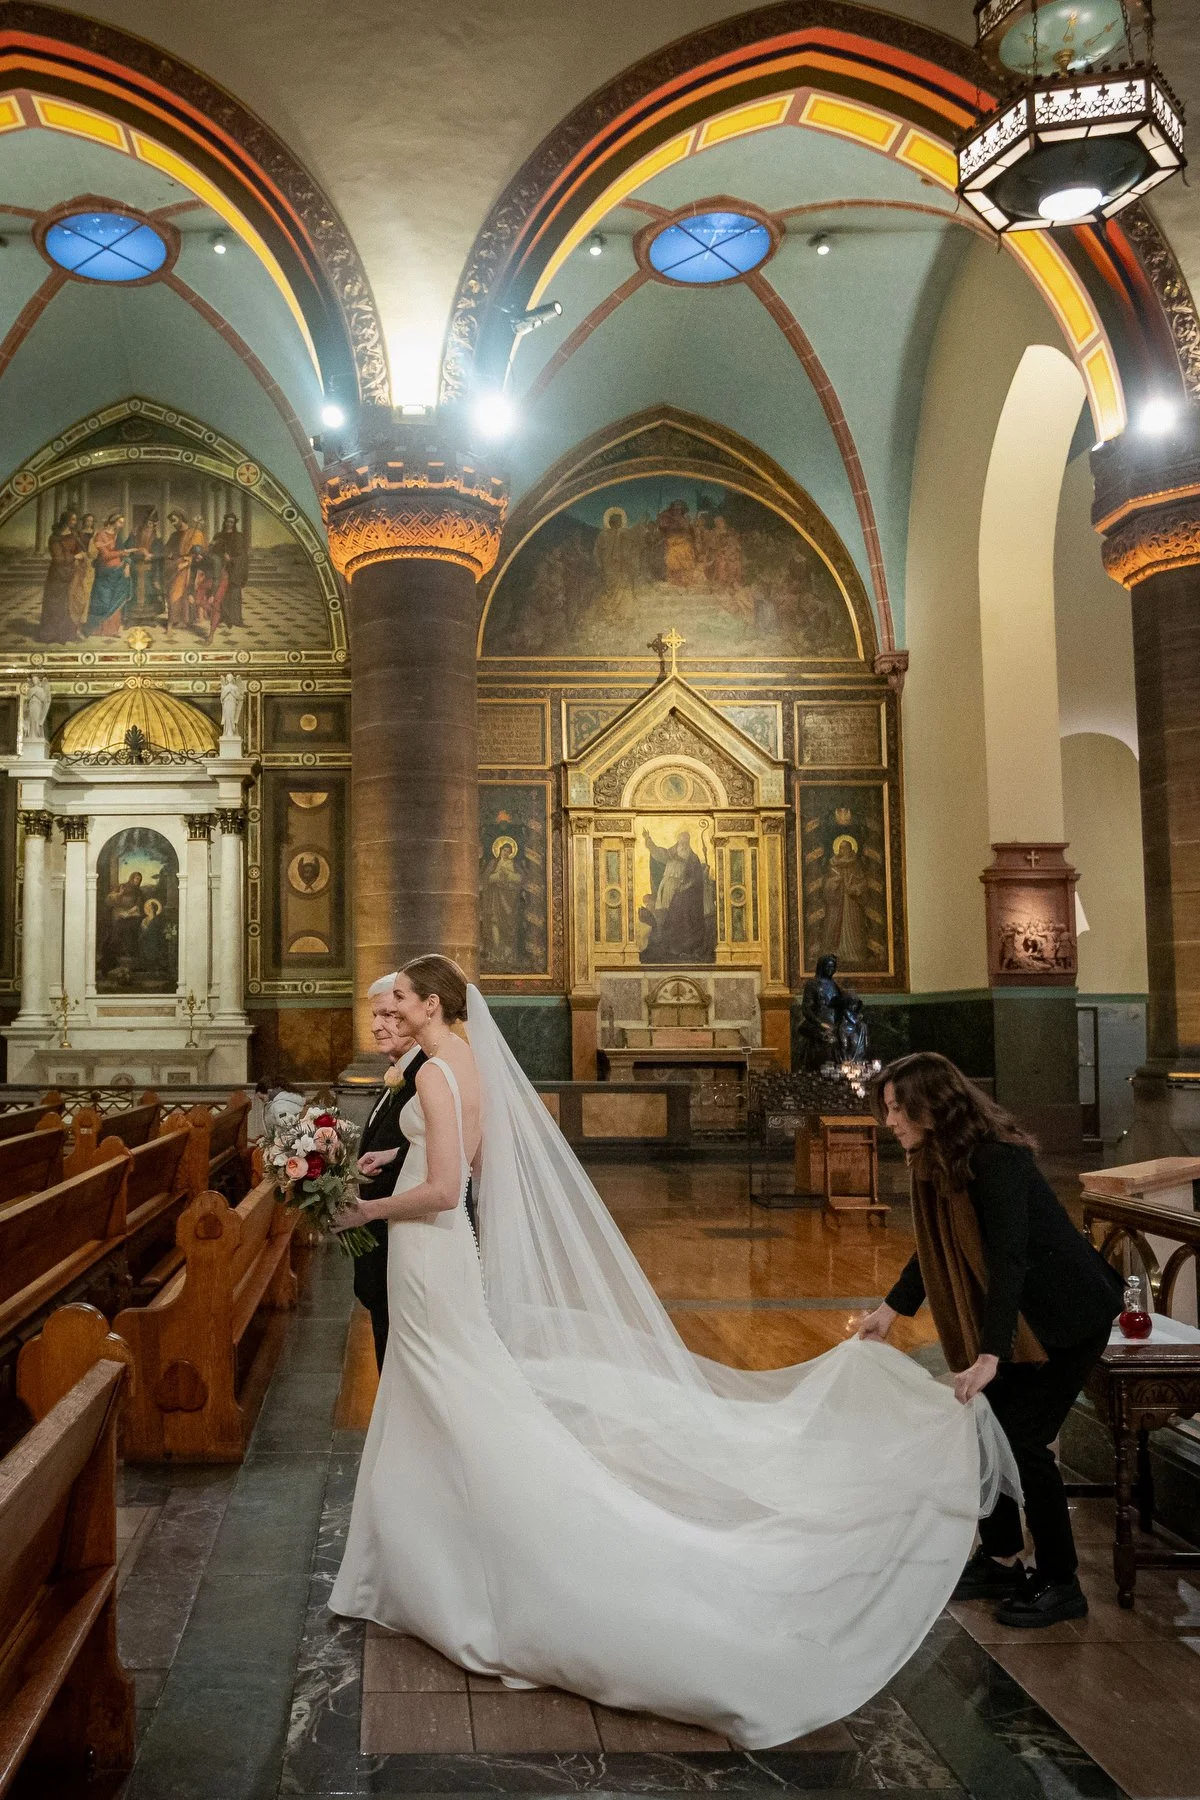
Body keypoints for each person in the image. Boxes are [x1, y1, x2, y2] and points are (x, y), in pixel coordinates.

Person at [329, 955, 1020, 1747]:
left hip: (428, 1244)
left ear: (430, 1004)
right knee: (445, 1392)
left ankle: (456, 1559)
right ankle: (424, 1554)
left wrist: (364, 1208)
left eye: (402, 999)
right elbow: (468, 1166)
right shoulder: (459, 1064)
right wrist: (394, 1165)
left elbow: (449, 1186)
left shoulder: (436, 1074)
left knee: (452, 1394)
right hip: (438, 1255)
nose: (393, 1009)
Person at [858, 1053, 1123, 1628]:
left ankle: (1061, 1581)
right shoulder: (937, 1158)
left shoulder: (997, 1159)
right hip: (1022, 1316)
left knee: (1025, 1441)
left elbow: (1010, 1260)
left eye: (898, 1108)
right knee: (986, 1426)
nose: (891, 1121)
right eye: (888, 1110)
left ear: (933, 1105)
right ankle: (1003, 1558)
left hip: (1067, 1318)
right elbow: (934, 1245)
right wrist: (890, 1310)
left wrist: (990, 1355)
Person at [352, 973, 427, 1373]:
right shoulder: (401, 1071)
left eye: (387, 1015)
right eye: (374, 1015)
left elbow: (445, 1151)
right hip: (383, 1237)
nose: (376, 1025)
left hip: (404, 1235)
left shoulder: (425, 1073)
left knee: (404, 1353)